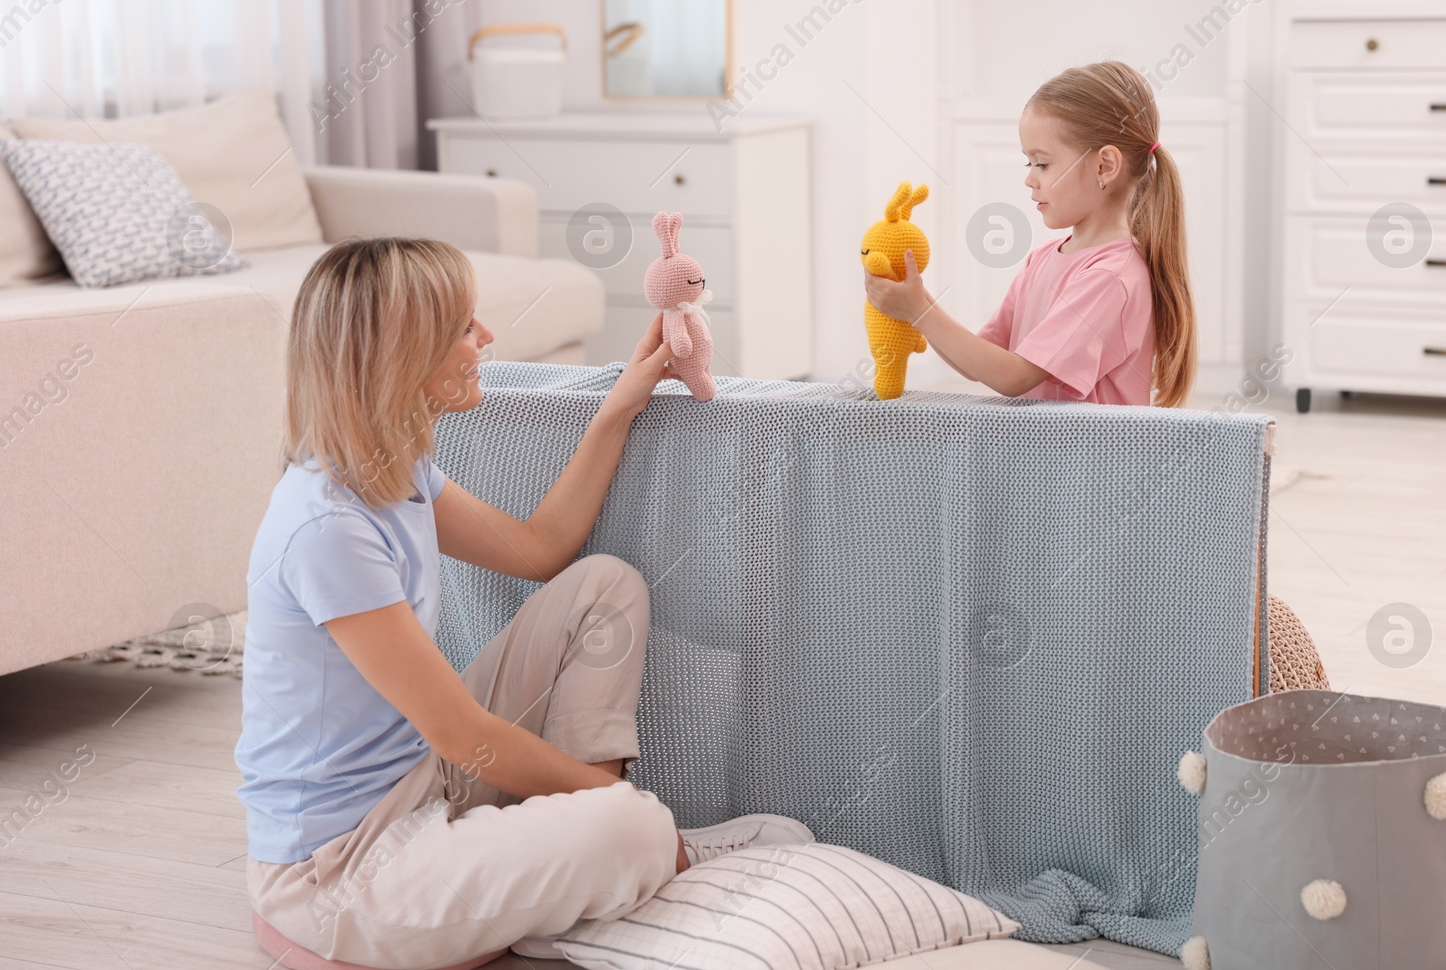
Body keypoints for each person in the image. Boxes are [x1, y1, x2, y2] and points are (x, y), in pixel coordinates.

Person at [235, 238, 810, 969]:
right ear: (401, 356)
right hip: (342, 871)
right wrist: (641, 820)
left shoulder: (396, 471)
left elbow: (540, 548)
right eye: (463, 327)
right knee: (628, 829)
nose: (486, 339)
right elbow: (463, 735)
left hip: (418, 785)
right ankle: (634, 852)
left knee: (603, 588)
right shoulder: (325, 526)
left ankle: (570, 871)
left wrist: (618, 407)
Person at [865, 60, 1197, 407]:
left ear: (1105, 166)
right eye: (1029, 163)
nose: (1029, 178)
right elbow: (982, 361)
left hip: (1095, 459)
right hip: (1046, 455)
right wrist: (916, 303)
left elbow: (1015, 376)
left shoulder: (1110, 278)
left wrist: (919, 311)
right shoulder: (1042, 259)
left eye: (1042, 164)